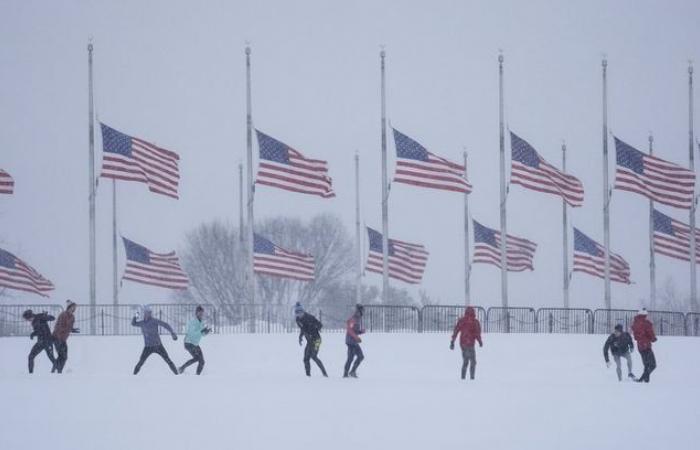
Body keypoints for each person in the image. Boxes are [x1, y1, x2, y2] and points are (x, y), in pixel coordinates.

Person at [131, 306, 179, 375]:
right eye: (147, 313)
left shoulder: (154, 321)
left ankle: (177, 375)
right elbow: (133, 323)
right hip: (148, 347)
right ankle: (133, 376)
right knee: (141, 362)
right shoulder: (142, 323)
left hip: (158, 345)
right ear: (144, 314)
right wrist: (136, 314)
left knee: (168, 360)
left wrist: (172, 333)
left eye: (150, 313)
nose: (148, 314)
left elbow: (165, 325)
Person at [294, 302, 328, 377]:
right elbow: (303, 329)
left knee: (314, 356)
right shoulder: (298, 320)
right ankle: (308, 376)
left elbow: (320, 325)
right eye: (297, 313)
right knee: (306, 358)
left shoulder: (309, 317)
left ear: (303, 311)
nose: (299, 314)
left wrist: (315, 327)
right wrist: (300, 337)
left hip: (317, 340)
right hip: (309, 341)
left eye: (300, 312)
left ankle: (325, 374)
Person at [450, 306, 483, 380]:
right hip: (470, 343)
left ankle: (463, 377)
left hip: (463, 343)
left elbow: (456, 330)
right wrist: (480, 341)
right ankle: (471, 377)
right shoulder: (475, 322)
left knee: (466, 361)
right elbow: (477, 333)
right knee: (473, 361)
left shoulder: (462, 320)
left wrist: (453, 341)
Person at [179, 305, 211, 375]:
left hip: (195, 344)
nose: (201, 315)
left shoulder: (201, 322)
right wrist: (201, 331)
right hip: (189, 343)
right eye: (199, 313)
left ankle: (195, 374)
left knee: (201, 361)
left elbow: (202, 334)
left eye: (202, 313)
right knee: (199, 359)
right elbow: (192, 334)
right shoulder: (192, 322)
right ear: (196, 313)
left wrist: (206, 332)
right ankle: (183, 369)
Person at [23, 309, 57, 374]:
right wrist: (33, 334)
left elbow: (53, 318)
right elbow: (39, 331)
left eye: (27, 319)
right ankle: (30, 373)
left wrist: (46, 316)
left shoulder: (40, 317)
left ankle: (57, 372)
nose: (28, 321)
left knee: (51, 357)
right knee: (31, 356)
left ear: (30, 316)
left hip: (48, 341)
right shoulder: (33, 322)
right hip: (40, 342)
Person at [51, 300, 80, 374]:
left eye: (74, 308)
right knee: (62, 356)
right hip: (57, 338)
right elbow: (59, 328)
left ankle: (58, 371)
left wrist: (72, 330)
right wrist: (59, 338)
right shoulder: (63, 315)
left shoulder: (72, 317)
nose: (74, 309)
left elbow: (69, 327)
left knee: (64, 357)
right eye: (72, 307)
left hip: (63, 339)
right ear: (69, 307)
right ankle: (55, 371)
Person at [631, 308, 657, 383]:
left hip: (640, 347)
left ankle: (646, 381)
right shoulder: (646, 323)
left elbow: (636, 337)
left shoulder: (635, 324)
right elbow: (651, 334)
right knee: (653, 365)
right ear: (644, 315)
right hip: (647, 346)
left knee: (646, 365)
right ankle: (642, 379)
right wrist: (653, 338)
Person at [343, 304, 365, 378]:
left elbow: (354, 331)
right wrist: (356, 337)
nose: (363, 312)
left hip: (353, 341)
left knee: (359, 357)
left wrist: (361, 331)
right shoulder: (353, 319)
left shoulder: (358, 319)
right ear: (359, 310)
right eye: (362, 310)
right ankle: (347, 373)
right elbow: (349, 330)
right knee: (352, 358)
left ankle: (351, 372)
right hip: (351, 342)